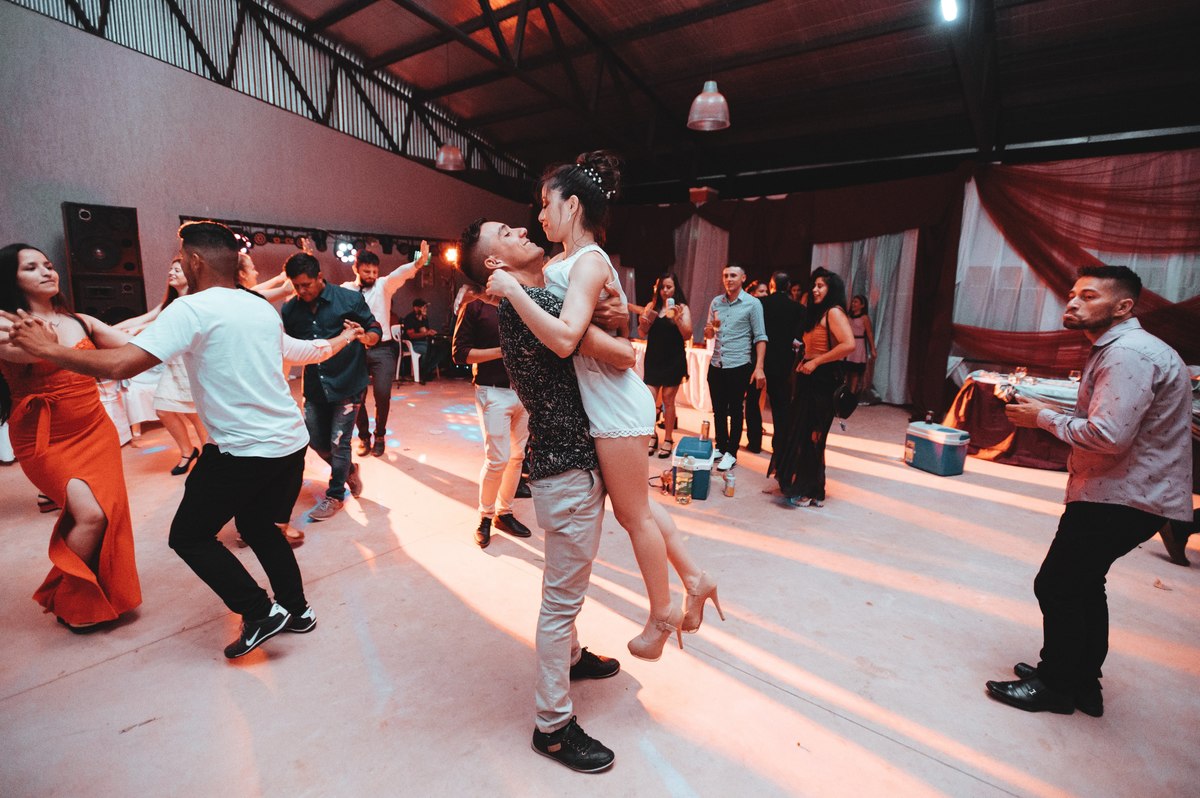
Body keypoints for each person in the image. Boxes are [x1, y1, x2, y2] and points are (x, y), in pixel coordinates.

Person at [3, 222, 366, 657]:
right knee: (257, 526)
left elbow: (120, 365)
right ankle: (298, 610)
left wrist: (47, 350)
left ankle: (259, 612)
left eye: (180, 259)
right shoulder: (258, 307)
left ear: (193, 261)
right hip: (289, 443)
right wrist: (345, 337)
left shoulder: (190, 310)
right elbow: (297, 352)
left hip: (242, 450)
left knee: (189, 537)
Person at [485, 151, 722, 664]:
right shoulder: (559, 263)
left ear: (572, 206)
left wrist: (514, 291)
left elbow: (567, 335)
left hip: (613, 403)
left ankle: (662, 614)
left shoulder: (588, 261)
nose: (539, 217)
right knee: (641, 507)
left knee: (634, 516)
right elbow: (564, 311)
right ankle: (695, 578)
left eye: (545, 205)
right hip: (603, 400)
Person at [461, 217, 633, 774]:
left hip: (566, 464)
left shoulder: (534, 299)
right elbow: (618, 352)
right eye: (506, 234)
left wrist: (613, 312)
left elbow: (597, 322)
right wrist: (614, 323)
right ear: (495, 264)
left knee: (563, 584)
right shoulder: (527, 304)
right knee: (560, 602)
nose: (520, 228)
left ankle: (573, 659)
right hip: (568, 471)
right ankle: (553, 727)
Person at [986, 265, 1193, 716]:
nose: (1074, 302)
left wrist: (1041, 418)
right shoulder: (1127, 348)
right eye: (1073, 294)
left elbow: (1108, 436)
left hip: (1122, 494)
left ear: (1123, 306)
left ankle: (1056, 686)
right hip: (1127, 491)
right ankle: (1081, 681)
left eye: (1090, 296)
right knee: (1082, 582)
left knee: (1057, 584)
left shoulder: (1127, 354)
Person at [0, 243, 142, 633]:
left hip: (94, 429)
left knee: (107, 513)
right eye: (31, 267)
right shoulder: (7, 324)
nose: (47, 271)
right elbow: (30, 355)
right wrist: (47, 343)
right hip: (44, 438)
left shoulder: (79, 320)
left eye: (48, 265)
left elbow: (131, 344)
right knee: (90, 515)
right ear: (12, 279)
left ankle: (93, 598)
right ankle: (65, 593)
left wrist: (175, 312)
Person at [281, 253, 382, 522]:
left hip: (349, 382)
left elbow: (375, 328)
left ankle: (335, 495)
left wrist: (364, 337)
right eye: (296, 286)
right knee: (315, 441)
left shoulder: (347, 299)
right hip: (315, 386)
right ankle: (349, 470)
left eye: (306, 285)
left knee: (339, 442)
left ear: (319, 278)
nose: (301, 291)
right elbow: (292, 348)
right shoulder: (290, 310)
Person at [451, 291, 533, 548]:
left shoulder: (523, 300)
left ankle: (504, 513)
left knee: (517, 456)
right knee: (498, 458)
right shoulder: (475, 304)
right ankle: (485, 516)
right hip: (492, 390)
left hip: (524, 391)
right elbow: (460, 354)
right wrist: (502, 351)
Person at [773, 269, 854, 507]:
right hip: (809, 377)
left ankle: (812, 490)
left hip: (824, 379)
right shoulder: (818, 312)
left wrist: (817, 362)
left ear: (832, 289)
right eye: (815, 285)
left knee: (814, 435)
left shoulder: (834, 312)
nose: (815, 290)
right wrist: (806, 360)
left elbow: (849, 345)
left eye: (821, 286)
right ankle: (808, 486)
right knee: (802, 432)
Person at [342, 243, 429, 457]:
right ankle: (364, 437)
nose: (372, 275)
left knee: (382, 393)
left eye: (374, 271)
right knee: (356, 397)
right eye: (367, 271)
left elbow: (399, 275)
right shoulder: (346, 289)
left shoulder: (383, 285)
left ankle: (379, 435)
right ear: (356, 269)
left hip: (383, 349)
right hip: (356, 350)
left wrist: (417, 264)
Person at [702, 264, 767, 471]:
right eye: (725, 275)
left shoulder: (753, 304)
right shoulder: (716, 302)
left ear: (743, 278)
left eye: (733, 275)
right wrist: (709, 332)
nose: (728, 279)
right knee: (718, 410)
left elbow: (760, 337)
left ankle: (732, 452)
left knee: (736, 410)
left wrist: (759, 367)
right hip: (717, 363)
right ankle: (721, 446)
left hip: (739, 364)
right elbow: (709, 334)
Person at [637, 272, 691, 458]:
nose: (665, 291)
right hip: (654, 358)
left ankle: (668, 438)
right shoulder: (652, 306)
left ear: (675, 288)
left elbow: (688, 335)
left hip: (673, 359)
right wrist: (644, 323)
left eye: (669, 287)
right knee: (649, 399)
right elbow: (642, 333)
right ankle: (652, 435)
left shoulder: (682, 308)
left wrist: (677, 319)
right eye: (662, 287)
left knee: (668, 400)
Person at [760, 272, 803, 462]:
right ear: (788, 287)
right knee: (781, 406)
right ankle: (780, 445)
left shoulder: (761, 304)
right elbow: (798, 337)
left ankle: (754, 440)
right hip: (784, 362)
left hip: (761, 358)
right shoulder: (798, 308)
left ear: (772, 285)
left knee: (753, 402)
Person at [402, 298, 445, 382]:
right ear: (416, 308)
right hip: (412, 344)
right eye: (423, 307)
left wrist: (430, 332)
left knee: (441, 349)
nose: (425, 309)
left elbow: (425, 330)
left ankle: (427, 369)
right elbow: (411, 335)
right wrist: (426, 333)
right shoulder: (410, 318)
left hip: (424, 342)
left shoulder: (424, 318)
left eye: (426, 307)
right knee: (427, 350)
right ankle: (424, 371)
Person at [846, 294, 877, 398]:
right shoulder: (848, 317)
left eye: (856, 302)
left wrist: (873, 349)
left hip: (858, 345)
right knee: (845, 370)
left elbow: (869, 334)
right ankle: (843, 392)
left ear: (862, 305)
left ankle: (852, 394)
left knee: (855, 371)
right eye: (852, 301)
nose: (853, 304)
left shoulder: (864, 318)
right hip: (848, 343)